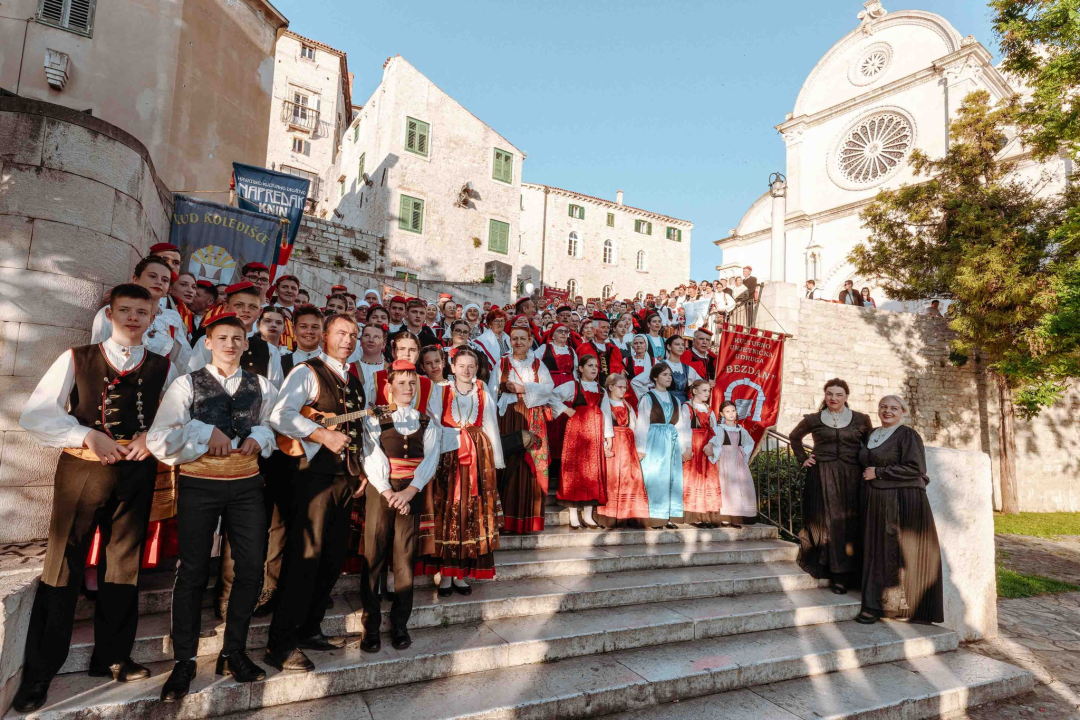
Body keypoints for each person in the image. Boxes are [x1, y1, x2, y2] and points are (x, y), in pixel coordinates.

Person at [13, 284, 179, 712]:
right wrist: (85, 434)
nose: (133, 318)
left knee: (123, 561)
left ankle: (113, 656)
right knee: (63, 561)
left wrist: (151, 438)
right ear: (110, 313)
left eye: (141, 311)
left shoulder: (164, 365)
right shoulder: (78, 357)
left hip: (137, 471)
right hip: (83, 468)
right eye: (125, 310)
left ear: (152, 317)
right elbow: (37, 412)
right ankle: (40, 672)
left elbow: (178, 416)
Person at [148, 307, 278, 701]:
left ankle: (233, 651)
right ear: (208, 343)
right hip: (200, 484)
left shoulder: (261, 384)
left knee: (251, 567)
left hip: (247, 485)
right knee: (191, 571)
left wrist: (259, 437)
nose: (230, 344)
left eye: (237, 338)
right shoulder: (186, 384)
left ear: (246, 343)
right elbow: (159, 436)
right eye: (222, 338)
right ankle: (184, 661)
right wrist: (205, 431)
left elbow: (272, 424)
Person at [265, 314, 368, 672]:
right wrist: (321, 434)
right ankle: (280, 645)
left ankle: (309, 629)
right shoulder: (307, 371)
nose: (348, 340)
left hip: (344, 478)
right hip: (312, 478)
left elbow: (358, 429)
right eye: (341, 333)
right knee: (304, 558)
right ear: (325, 336)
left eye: (353, 334)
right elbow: (281, 415)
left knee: (332, 558)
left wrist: (360, 467)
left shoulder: (355, 379)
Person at [358, 360, 440, 652]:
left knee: (404, 559)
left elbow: (431, 459)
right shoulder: (375, 418)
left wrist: (409, 493)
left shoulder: (426, 421)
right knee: (374, 556)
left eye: (412, 383)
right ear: (389, 386)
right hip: (381, 491)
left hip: (411, 491)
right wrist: (387, 490)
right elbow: (371, 454)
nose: (408, 388)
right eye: (402, 383)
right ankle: (370, 626)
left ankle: (400, 624)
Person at [416, 347, 504, 595]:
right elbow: (433, 425)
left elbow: (491, 424)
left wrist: (495, 461)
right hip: (448, 456)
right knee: (450, 512)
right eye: (461, 366)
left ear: (477, 368)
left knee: (470, 513)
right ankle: (445, 575)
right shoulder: (441, 390)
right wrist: (431, 459)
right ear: (452, 367)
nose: (466, 370)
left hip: (477, 456)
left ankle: (460, 574)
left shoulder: (482, 390)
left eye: (471, 366)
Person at [856, 395, 943, 625]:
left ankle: (883, 607)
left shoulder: (907, 435)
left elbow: (916, 468)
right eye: (883, 406)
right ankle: (879, 603)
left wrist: (879, 472)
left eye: (894, 408)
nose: (888, 411)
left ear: (902, 412)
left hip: (901, 498)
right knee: (877, 548)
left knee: (894, 549)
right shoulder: (871, 434)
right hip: (877, 498)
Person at [789, 378, 873, 594]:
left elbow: (870, 446)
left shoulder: (861, 419)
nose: (833, 398)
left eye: (838, 394)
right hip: (822, 475)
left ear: (846, 397)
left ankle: (851, 573)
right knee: (826, 523)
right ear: (825, 395)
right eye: (829, 394)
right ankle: (835, 573)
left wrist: (871, 468)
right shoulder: (814, 419)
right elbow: (794, 437)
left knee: (851, 522)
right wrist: (803, 458)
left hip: (852, 476)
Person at [496, 326, 557, 535]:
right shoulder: (502, 363)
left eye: (523, 338)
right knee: (509, 465)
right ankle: (506, 521)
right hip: (508, 417)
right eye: (515, 339)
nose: (519, 342)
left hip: (532, 417)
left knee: (529, 466)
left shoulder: (537, 364)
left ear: (531, 341)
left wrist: (524, 389)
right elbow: (491, 392)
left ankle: (527, 521)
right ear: (510, 341)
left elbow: (549, 388)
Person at [91, 256, 191, 369]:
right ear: (136, 279)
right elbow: (98, 354)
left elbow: (178, 362)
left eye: (165, 280)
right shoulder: (111, 312)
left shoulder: (172, 320)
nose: (159, 282)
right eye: (152, 276)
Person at [552, 355, 614, 530]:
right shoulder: (573, 386)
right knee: (574, 471)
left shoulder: (601, 390)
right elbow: (552, 396)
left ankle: (588, 515)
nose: (594, 369)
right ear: (580, 368)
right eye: (590, 365)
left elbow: (606, 414)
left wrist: (608, 437)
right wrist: (565, 409)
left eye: (596, 366)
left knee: (593, 472)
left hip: (594, 433)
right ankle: (573, 515)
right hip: (576, 433)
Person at [190, 282, 283, 389]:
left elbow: (274, 389)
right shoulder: (209, 341)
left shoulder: (269, 350)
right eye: (239, 305)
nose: (246, 310)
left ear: (260, 312)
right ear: (226, 307)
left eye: (252, 306)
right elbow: (193, 378)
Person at [635, 363, 691, 529]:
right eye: (665, 374)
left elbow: (681, 425)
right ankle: (654, 516)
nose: (669, 378)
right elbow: (642, 425)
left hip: (671, 441)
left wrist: (684, 447)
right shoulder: (647, 398)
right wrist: (641, 448)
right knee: (655, 476)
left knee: (671, 478)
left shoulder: (675, 399)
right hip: (654, 441)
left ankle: (668, 515)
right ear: (655, 377)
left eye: (670, 375)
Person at [595, 374, 650, 528]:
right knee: (612, 477)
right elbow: (602, 425)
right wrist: (604, 445)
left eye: (625, 387)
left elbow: (635, 427)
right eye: (620, 387)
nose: (623, 390)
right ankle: (610, 516)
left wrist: (639, 448)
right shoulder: (605, 404)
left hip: (628, 446)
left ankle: (629, 514)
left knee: (630, 478)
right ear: (611, 387)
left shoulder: (627, 405)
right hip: (613, 444)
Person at [681, 380, 721, 528]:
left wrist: (711, 444)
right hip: (694, 445)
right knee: (693, 478)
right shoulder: (687, 407)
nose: (707, 393)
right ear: (694, 391)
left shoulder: (709, 409)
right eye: (704, 390)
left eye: (708, 391)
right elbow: (683, 429)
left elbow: (715, 429)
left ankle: (708, 515)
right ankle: (694, 515)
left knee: (707, 478)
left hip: (706, 446)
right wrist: (686, 448)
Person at [712, 401, 759, 527]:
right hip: (725, 460)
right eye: (727, 411)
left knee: (740, 486)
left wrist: (743, 451)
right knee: (726, 486)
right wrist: (717, 459)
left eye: (733, 411)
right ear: (722, 414)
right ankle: (725, 515)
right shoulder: (719, 429)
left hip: (738, 461)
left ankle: (738, 515)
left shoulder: (741, 429)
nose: (731, 414)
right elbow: (716, 445)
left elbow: (750, 442)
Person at [633, 335, 701, 407]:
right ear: (669, 347)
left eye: (682, 345)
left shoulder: (688, 369)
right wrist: (650, 399)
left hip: (684, 407)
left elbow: (701, 384)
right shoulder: (660, 367)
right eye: (677, 344)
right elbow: (636, 381)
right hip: (665, 406)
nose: (681, 347)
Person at [578, 312, 626, 386]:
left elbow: (621, 370)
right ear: (594, 330)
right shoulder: (584, 348)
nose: (606, 330)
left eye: (608, 328)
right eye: (603, 327)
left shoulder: (614, 349)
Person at [281, 305, 323, 377]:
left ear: (322, 331)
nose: (309, 331)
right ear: (294, 329)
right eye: (303, 326)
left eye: (315, 327)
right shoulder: (281, 362)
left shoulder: (330, 363)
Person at [351, 323, 388, 391]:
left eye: (376, 337)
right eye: (367, 336)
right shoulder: (349, 369)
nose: (371, 340)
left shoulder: (391, 370)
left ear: (383, 344)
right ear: (360, 341)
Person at [170, 271, 198, 336]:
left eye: (193, 287)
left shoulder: (190, 315)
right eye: (184, 285)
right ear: (170, 287)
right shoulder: (163, 307)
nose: (190, 290)